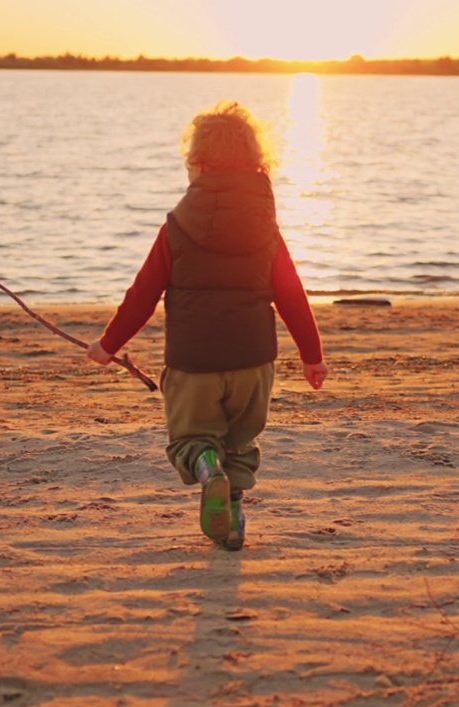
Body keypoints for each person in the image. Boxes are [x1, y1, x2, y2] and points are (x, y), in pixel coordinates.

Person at [87, 101, 328, 551]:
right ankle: (232, 520)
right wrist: (311, 355)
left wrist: (108, 344)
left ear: (196, 163)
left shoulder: (177, 227)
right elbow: (292, 295)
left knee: (194, 438)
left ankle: (204, 467)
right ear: (257, 160)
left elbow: (143, 295)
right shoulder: (266, 228)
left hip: (194, 361)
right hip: (253, 361)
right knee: (240, 441)